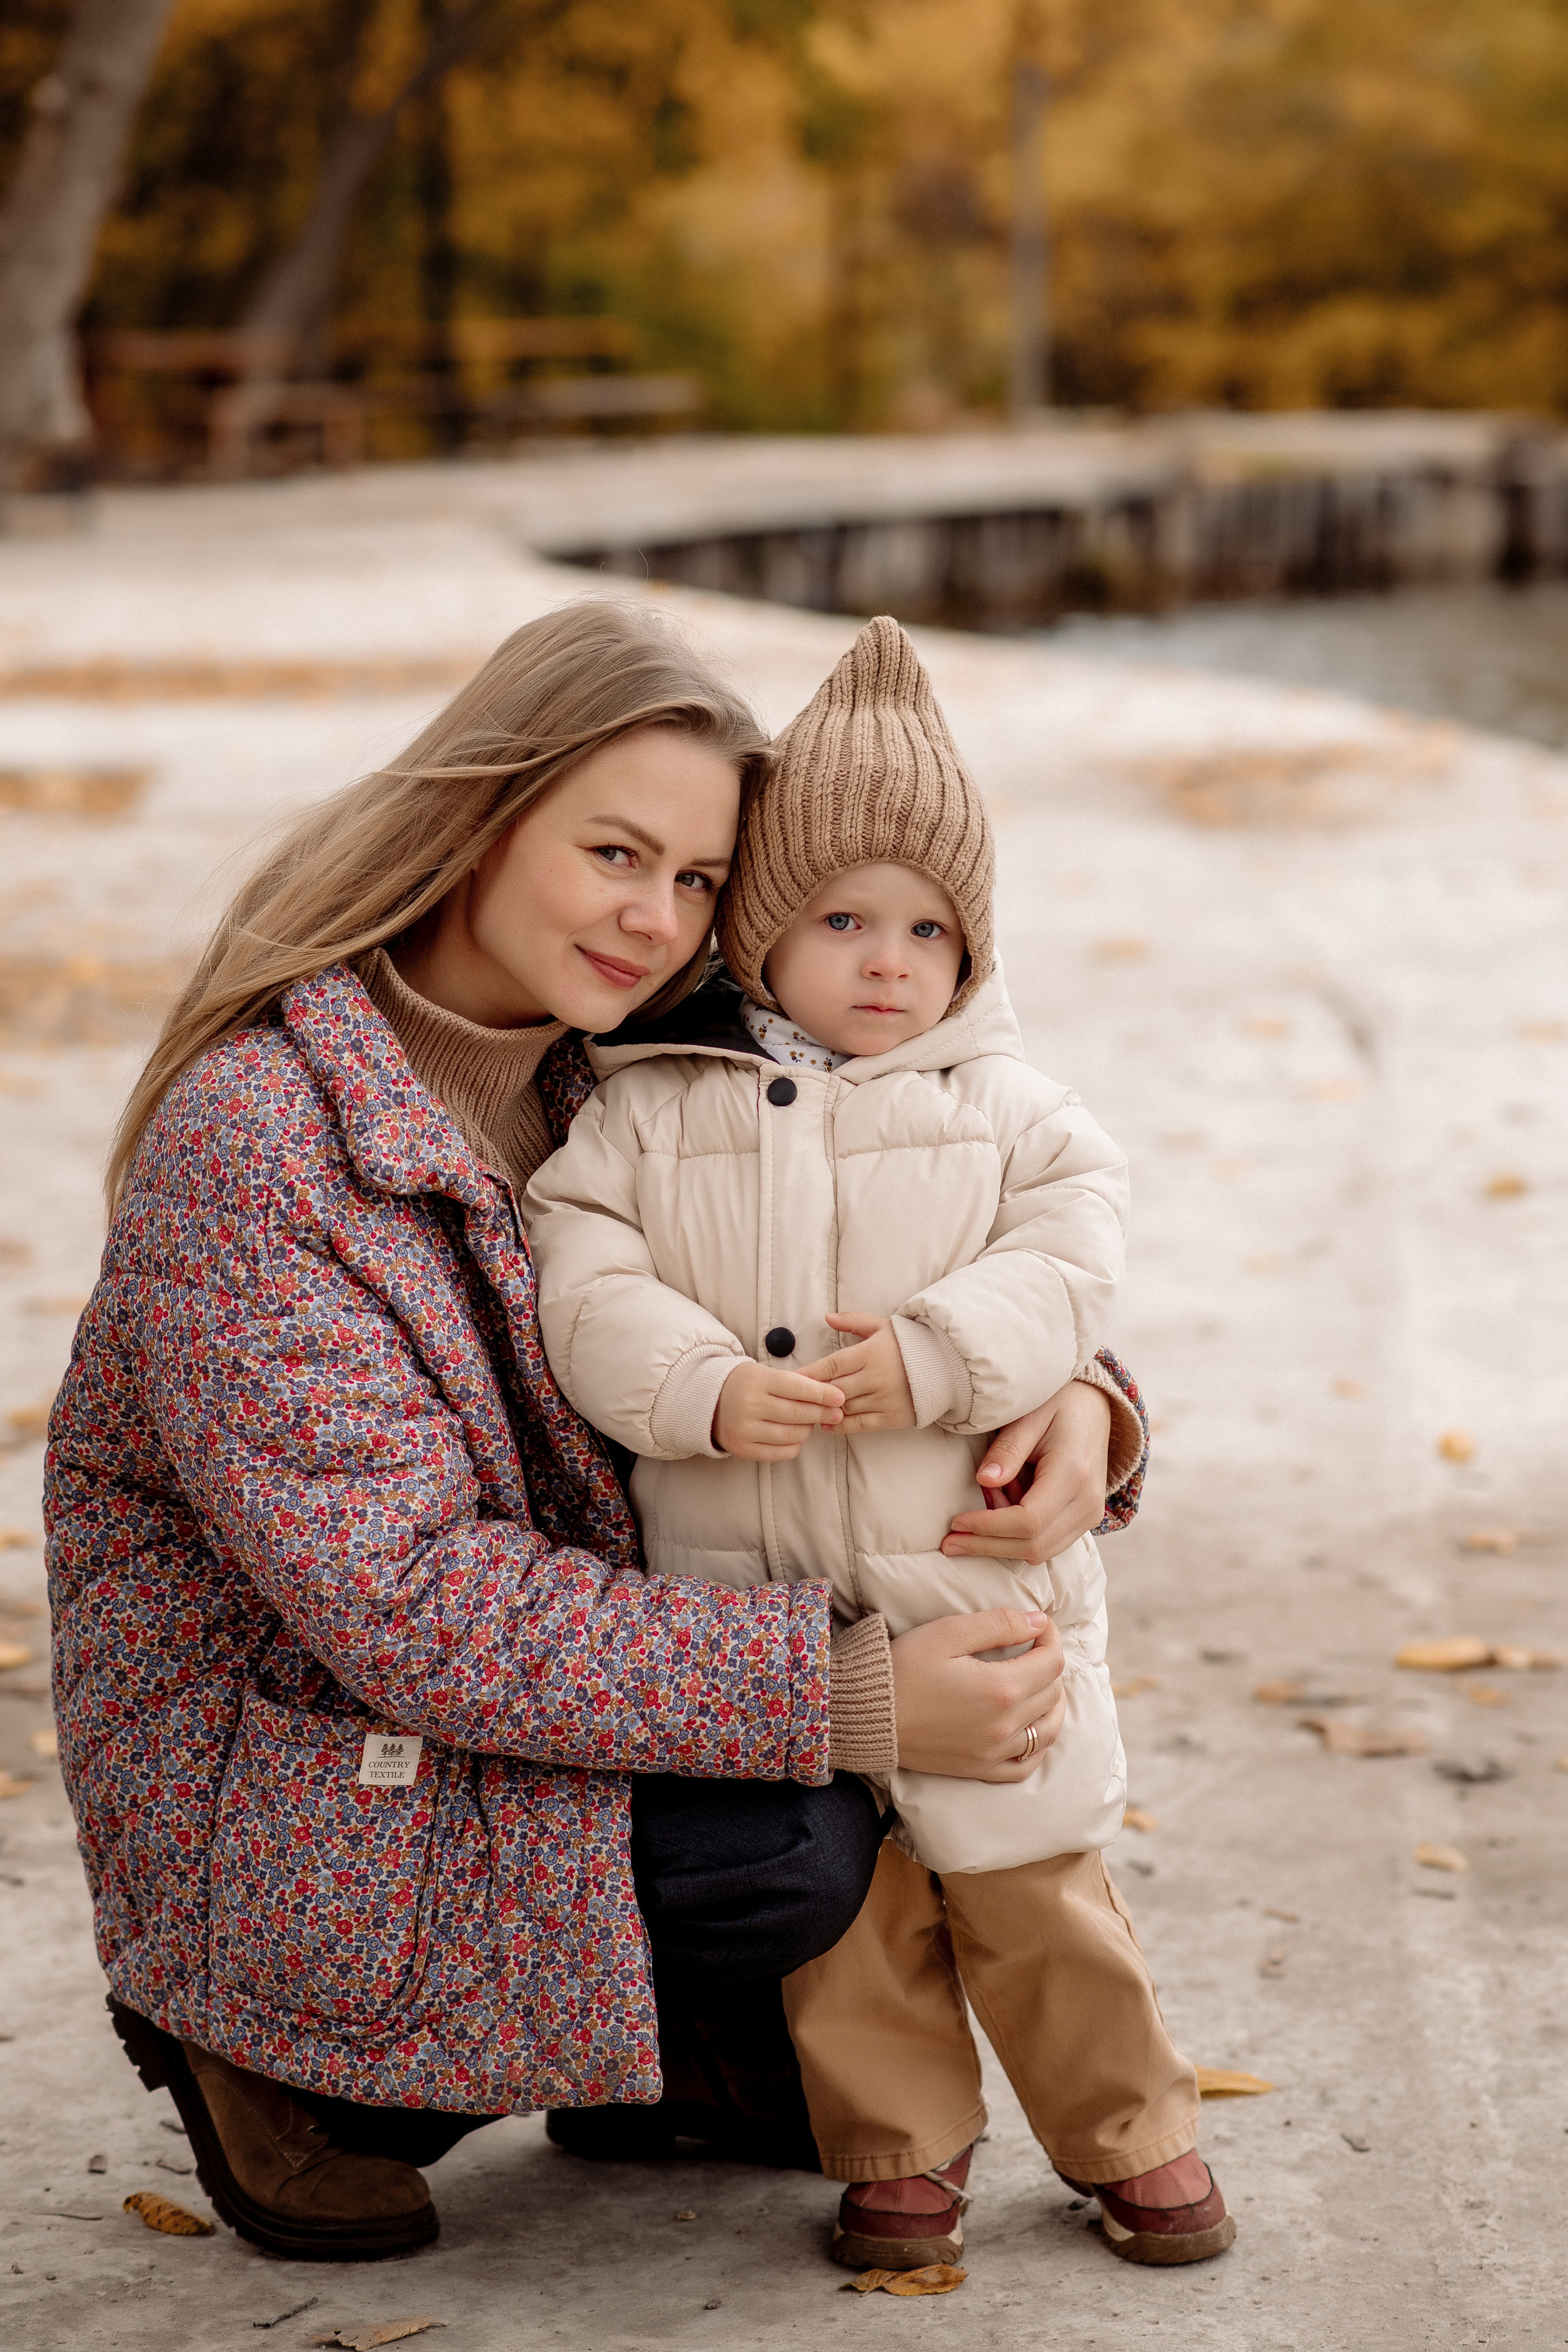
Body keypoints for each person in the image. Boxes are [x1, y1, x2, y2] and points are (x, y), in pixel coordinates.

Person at [43, 600, 1145, 2266]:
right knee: (801, 1832)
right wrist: (840, 1690)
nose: (656, 918)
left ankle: (660, 2049)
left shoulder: (630, 1075)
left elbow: (904, 1252)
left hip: (505, 1701)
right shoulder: (258, 1148)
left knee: (854, 1818)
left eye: (700, 882)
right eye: (616, 854)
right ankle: (266, 2050)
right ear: (481, 820)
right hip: (307, 1778)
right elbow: (408, 1605)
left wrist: (1086, 1406)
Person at [524, 616, 1230, 2270]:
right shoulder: (648, 1106)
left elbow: (1074, 1253)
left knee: (1036, 1887)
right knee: (850, 1922)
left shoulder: (1013, 1111)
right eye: (842, 920)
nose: (889, 961)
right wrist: (695, 1387)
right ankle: (899, 2149)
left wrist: (939, 1357)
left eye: (928, 928)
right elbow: (583, 1274)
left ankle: (1130, 2129)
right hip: (763, 1594)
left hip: (972, 1585)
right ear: (763, 935)